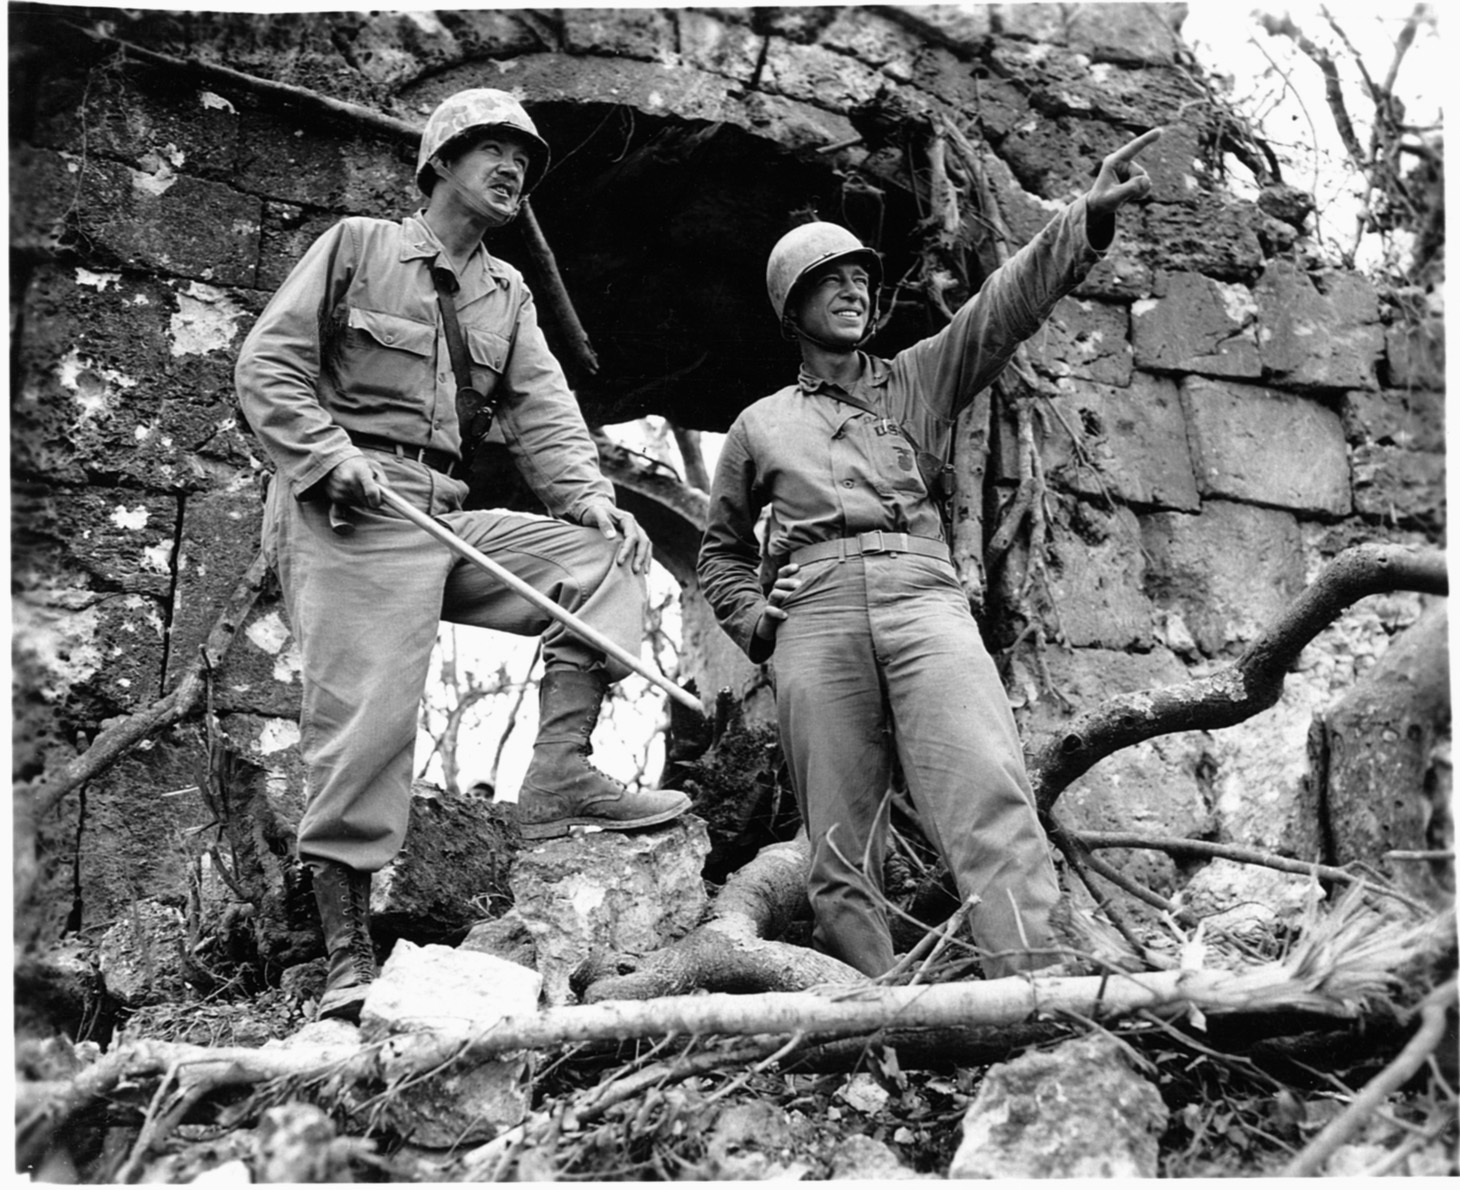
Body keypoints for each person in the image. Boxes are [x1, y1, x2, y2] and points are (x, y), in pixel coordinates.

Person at [235, 89, 690, 1020]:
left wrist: (594, 503)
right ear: (440, 161)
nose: (514, 167)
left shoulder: (507, 291)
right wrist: (331, 459)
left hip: (446, 512)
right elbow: (266, 366)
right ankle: (343, 954)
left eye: (524, 156)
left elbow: (543, 413)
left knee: (597, 564)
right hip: (350, 514)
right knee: (367, 722)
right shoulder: (359, 247)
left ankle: (561, 776)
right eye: (492, 148)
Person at [698, 129, 1162, 980]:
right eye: (825, 281)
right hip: (814, 617)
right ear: (788, 308)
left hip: (923, 596)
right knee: (840, 842)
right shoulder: (758, 425)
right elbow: (719, 553)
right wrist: (759, 622)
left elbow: (1003, 305)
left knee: (988, 790)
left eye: (858, 279)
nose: (849, 290)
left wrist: (1082, 222)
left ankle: (1034, 998)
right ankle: (873, 1029)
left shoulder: (919, 378)